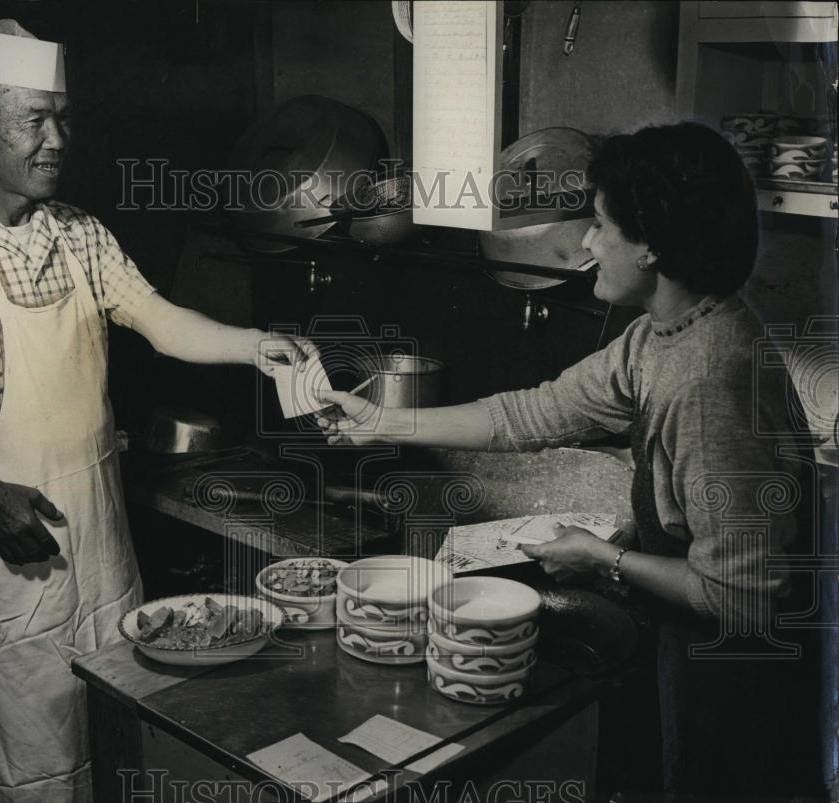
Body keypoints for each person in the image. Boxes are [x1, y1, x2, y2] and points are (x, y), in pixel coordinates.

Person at [0, 20, 314, 803]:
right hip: (5, 555)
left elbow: (158, 317)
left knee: (120, 744)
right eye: (33, 119)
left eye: (61, 116)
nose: (57, 139)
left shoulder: (79, 235)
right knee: (26, 766)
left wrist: (254, 343)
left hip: (101, 551)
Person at [319, 122, 821, 796]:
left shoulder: (710, 380)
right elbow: (533, 413)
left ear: (650, 246)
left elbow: (740, 596)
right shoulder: (663, 333)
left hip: (745, 668)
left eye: (600, 223)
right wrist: (381, 419)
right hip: (696, 649)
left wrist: (602, 557)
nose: (587, 241)